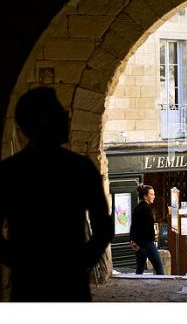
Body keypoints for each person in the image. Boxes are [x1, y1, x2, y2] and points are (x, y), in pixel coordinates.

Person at [0, 87, 113, 301]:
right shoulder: (80, 169)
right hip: (70, 284)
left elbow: (103, 227)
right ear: (43, 121)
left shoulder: (9, 172)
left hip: (28, 284)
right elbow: (104, 226)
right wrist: (82, 260)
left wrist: (19, 260)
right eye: (62, 115)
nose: (67, 120)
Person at [130, 184, 164, 275]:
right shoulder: (146, 209)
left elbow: (133, 226)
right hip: (147, 243)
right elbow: (145, 229)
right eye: (152, 194)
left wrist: (134, 241)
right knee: (159, 266)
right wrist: (153, 236)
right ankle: (163, 285)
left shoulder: (137, 208)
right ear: (145, 196)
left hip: (139, 243)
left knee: (140, 268)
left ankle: (137, 286)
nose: (154, 196)